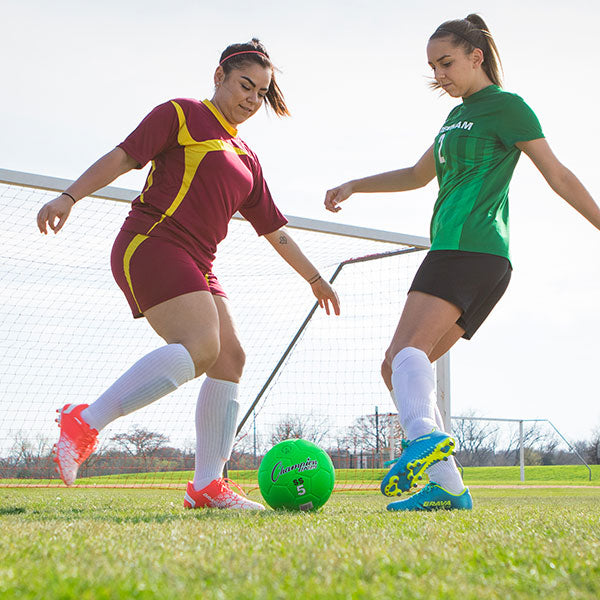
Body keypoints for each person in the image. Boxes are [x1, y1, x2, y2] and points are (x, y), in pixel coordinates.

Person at [37, 38, 340, 510]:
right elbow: (122, 157)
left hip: (200, 261)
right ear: (219, 77)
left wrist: (315, 279)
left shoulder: (247, 157)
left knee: (229, 359)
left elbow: (275, 230)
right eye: (245, 86)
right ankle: (84, 419)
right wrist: (69, 197)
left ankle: (207, 486)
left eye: (261, 93)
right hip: (153, 243)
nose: (251, 99)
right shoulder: (180, 114)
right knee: (203, 346)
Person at [324, 15, 600, 511]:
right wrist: (354, 184)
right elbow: (415, 174)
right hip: (461, 253)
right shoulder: (455, 117)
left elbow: (557, 175)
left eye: (447, 62)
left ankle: (425, 441)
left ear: (477, 55)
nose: (440, 75)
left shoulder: (508, 107)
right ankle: (450, 487)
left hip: (470, 249)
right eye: (433, 67)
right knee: (399, 367)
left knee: (404, 354)